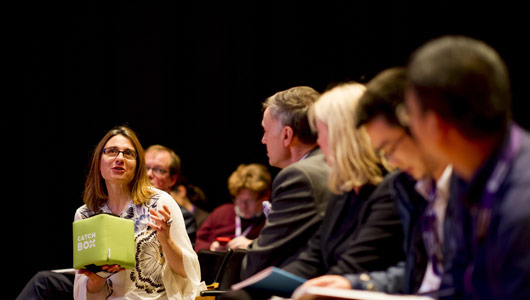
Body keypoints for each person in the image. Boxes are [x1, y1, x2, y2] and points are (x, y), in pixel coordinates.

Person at [221, 83, 405, 300]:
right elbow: (314, 254)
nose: (318, 142)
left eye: (321, 132)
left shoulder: (391, 188)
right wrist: (269, 288)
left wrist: (305, 293)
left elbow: (355, 263)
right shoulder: (343, 187)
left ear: (344, 136)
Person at [300, 67, 455, 295]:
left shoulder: (399, 188)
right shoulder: (412, 187)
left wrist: (353, 283)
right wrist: (356, 283)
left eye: (388, 148)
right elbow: (419, 275)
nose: (390, 159)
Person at [404, 35, 530, 299]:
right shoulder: (467, 174)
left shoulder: (521, 208)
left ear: (436, 125)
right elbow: (456, 284)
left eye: (409, 114)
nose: (410, 126)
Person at [73, 126, 205, 299]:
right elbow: (84, 291)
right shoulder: (85, 215)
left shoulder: (160, 203)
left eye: (128, 153)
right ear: (98, 162)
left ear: (137, 165)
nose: (120, 158)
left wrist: (166, 241)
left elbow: (189, 272)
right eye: (112, 151)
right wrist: (98, 278)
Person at [239, 86, 333, 280]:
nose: (263, 140)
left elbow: (257, 266)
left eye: (266, 131)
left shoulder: (298, 176)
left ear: (287, 135)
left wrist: (249, 250)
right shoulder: (328, 163)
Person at [194, 163, 271, 252]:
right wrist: (210, 247)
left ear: (265, 197)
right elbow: (195, 242)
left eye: (249, 201)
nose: (243, 206)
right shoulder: (222, 213)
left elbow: (280, 250)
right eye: (239, 200)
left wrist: (253, 245)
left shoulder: (270, 220)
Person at [145, 144, 197, 245]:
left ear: (172, 180)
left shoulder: (184, 216)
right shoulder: (126, 205)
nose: (149, 174)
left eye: (159, 170)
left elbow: (184, 259)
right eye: (145, 168)